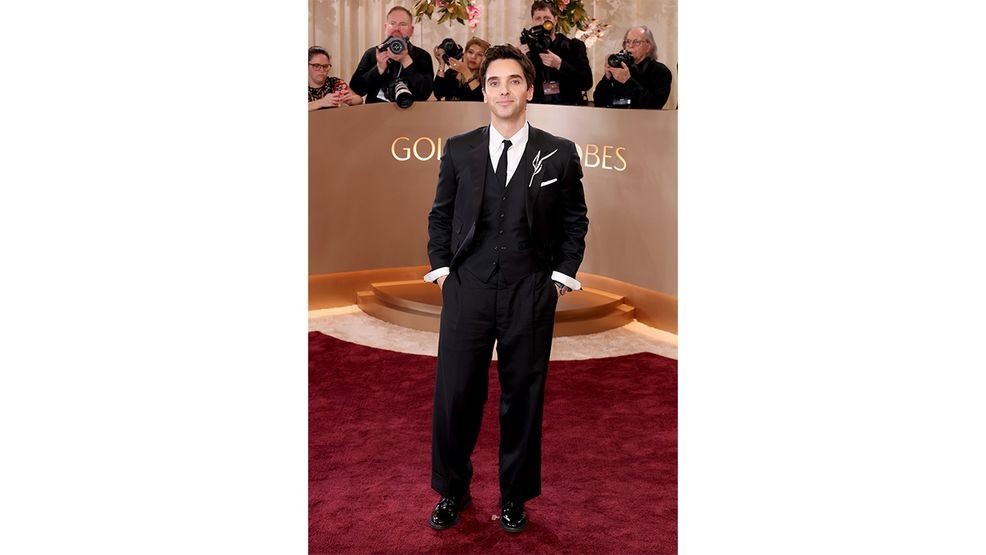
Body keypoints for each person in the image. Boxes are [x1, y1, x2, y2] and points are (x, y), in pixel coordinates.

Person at [423, 44, 589, 534]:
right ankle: (452, 489)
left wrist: (561, 274)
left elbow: (575, 218)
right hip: (468, 288)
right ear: (484, 89)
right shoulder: (459, 148)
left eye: (514, 81)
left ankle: (515, 497)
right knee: (455, 395)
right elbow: (441, 214)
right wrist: (443, 269)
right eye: (494, 82)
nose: (503, 90)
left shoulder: (559, 151)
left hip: (529, 291)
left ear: (529, 89)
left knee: (523, 397)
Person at [349, 6, 433, 104]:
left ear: (411, 30)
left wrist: (407, 61)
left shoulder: (422, 56)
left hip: (412, 115)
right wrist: (379, 69)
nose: (397, 28)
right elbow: (356, 90)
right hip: (376, 114)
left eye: (403, 24)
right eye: (392, 24)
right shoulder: (372, 54)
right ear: (385, 28)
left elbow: (425, 94)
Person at [518, 1, 593, 106]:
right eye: (538, 18)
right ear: (533, 21)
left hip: (569, 110)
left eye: (547, 18)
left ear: (556, 20)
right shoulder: (527, 50)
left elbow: (586, 83)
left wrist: (560, 65)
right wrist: (518, 61)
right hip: (537, 110)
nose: (542, 22)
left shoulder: (574, 46)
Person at [592, 26, 673, 109]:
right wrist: (607, 77)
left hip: (645, 120)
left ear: (648, 47)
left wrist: (628, 81)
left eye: (636, 42)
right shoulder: (620, 67)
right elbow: (598, 101)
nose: (630, 45)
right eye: (628, 41)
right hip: (615, 119)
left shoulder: (661, 72)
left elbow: (653, 105)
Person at [433, 37, 490, 101]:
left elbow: (480, 99)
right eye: (470, 52)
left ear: (484, 59)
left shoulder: (486, 78)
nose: (473, 57)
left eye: (479, 54)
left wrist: (465, 72)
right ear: (464, 54)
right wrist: (441, 64)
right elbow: (438, 94)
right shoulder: (451, 73)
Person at [308, 46, 362, 110]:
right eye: (316, 66)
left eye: (325, 66)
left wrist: (350, 100)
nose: (322, 70)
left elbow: (359, 99)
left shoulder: (335, 83)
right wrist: (322, 102)